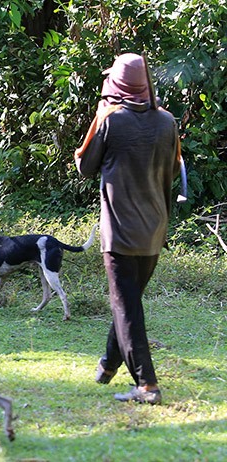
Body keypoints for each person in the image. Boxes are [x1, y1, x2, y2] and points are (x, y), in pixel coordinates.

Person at [75, 53, 181, 405]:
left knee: (126, 308)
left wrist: (98, 119)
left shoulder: (111, 121)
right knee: (128, 304)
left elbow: (86, 167)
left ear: (115, 85)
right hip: (154, 230)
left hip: (120, 233)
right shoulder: (167, 122)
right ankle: (107, 367)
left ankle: (147, 385)